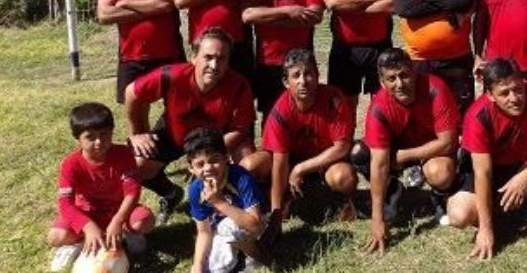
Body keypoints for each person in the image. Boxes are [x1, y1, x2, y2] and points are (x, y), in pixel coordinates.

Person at [124, 27, 256, 225]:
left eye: (221, 59)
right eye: (208, 57)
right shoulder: (171, 76)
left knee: (249, 162)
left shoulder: (239, 86)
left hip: (216, 140)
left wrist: (209, 156)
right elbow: (132, 93)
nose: (214, 65)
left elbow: (241, 128)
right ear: (194, 57)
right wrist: (137, 133)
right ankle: (170, 193)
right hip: (174, 133)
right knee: (135, 164)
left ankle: (247, 206)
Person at [446, 59, 527, 259]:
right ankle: (493, 217)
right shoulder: (478, 115)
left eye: (518, 89)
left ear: (523, 82)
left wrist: (524, 177)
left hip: (523, 165)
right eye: (504, 93)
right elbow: (483, 173)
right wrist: (486, 229)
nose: (514, 98)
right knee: (459, 215)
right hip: (491, 170)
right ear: (490, 95)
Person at [354, 48, 459, 255]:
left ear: (414, 72)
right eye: (391, 79)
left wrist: (404, 156)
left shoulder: (435, 88)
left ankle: (439, 199)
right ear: (382, 82)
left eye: (404, 75)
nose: (400, 84)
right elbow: (379, 163)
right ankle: (392, 191)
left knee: (440, 172)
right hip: (396, 150)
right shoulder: (378, 106)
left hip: (430, 150)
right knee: (359, 153)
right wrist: (377, 219)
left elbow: (447, 142)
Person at [240, 49, 358, 228]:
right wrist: (276, 211)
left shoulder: (333, 99)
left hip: (325, 162)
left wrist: (301, 169)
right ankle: (265, 201)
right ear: (286, 82)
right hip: (289, 161)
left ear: (317, 76)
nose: (303, 81)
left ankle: (344, 203)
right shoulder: (280, 111)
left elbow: (342, 147)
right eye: (296, 76)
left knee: (344, 177)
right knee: (249, 166)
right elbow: (280, 161)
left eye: (308, 74)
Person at [47, 103, 154, 272]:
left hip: (118, 211)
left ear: (112, 132)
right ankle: (79, 242)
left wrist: (118, 220)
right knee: (56, 236)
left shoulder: (124, 154)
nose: (99, 142)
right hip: (87, 214)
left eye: (104, 134)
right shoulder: (70, 164)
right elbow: (65, 203)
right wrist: (87, 226)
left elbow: (132, 192)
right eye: (90, 137)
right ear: (77, 138)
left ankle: (128, 235)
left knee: (144, 221)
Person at [242, 0, 323, 114]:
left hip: (301, 61)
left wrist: (266, 17)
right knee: (270, 112)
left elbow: (315, 16)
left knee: (302, 110)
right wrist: (289, 11)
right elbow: (248, 15)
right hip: (268, 60)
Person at [322, 0, 394, 120]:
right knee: (343, 107)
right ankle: (345, 139)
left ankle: (377, 138)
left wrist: (346, 0)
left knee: (382, 104)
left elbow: (390, 4)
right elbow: (332, 2)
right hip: (344, 49)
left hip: (379, 47)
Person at [186, 129, 267, 273]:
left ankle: (256, 254)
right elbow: (204, 231)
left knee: (229, 229)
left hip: (255, 223)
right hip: (220, 229)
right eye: (200, 164)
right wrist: (197, 266)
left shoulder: (241, 177)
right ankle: (236, 254)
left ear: (226, 158)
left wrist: (218, 202)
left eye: (214, 160)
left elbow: (255, 225)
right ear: (191, 169)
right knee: (211, 268)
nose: (208, 168)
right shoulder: (195, 189)